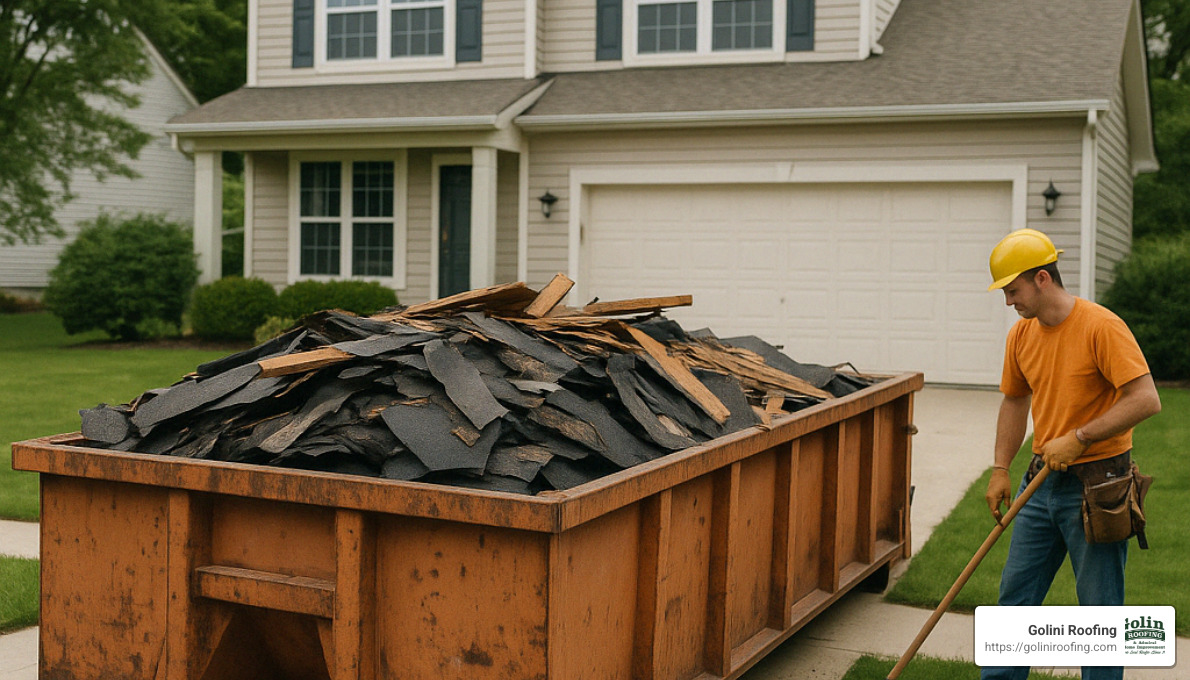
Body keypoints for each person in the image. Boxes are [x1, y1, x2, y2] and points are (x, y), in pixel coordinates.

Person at [981, 228, 1162, 680]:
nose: (1009, 302)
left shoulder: (1101, 326)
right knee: (1014, 601)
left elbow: (1145, 399)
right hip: (1041, 483)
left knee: (1099, 615)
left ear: (1042, 278)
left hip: (1099, 487)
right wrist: (1001, 468)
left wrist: (1080, 436)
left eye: (1013, 290)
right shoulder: (1021, 335)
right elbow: (1014, 400)